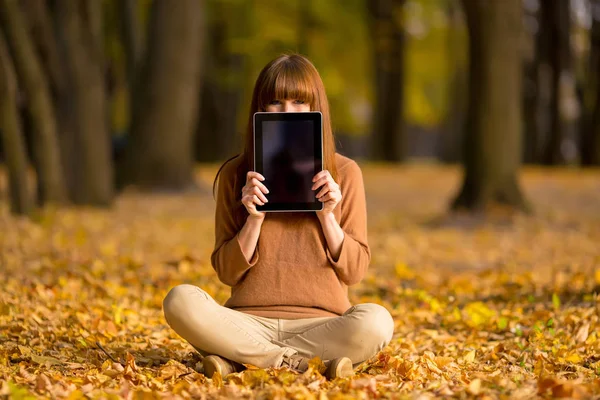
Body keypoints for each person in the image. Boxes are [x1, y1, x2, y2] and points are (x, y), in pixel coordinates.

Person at [163, 54, 394, 380]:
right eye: (276, 102)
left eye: (300, 101)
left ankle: (238, 361)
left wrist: (328, 217)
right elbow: (227, 273)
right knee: (180, 300)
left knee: (377, 321)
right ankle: (298, 365)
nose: (287, 112)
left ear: (318, 108)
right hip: (246, 323)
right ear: (260, 109)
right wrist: (253, 219)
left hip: (322, 325)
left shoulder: (345, 173)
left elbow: (355, 271)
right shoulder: (236, 174)